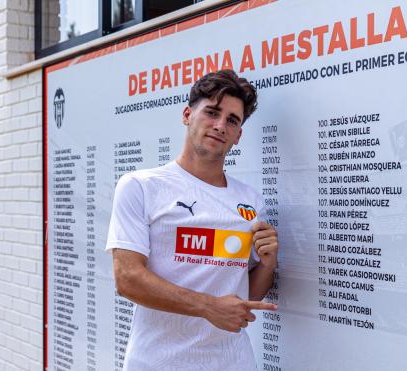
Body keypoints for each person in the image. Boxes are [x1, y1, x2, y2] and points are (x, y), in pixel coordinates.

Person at [106, 69, 279, 371]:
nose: (220, 125)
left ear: (238, 136)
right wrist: (209, 307)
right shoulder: (141, 186)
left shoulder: (252, 201)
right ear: (187, 114)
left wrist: (268, 262)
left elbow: (249, 293)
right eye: (212, 112)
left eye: (232, 120)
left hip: (233, 362)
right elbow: (127, 279)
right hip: (157, 363)